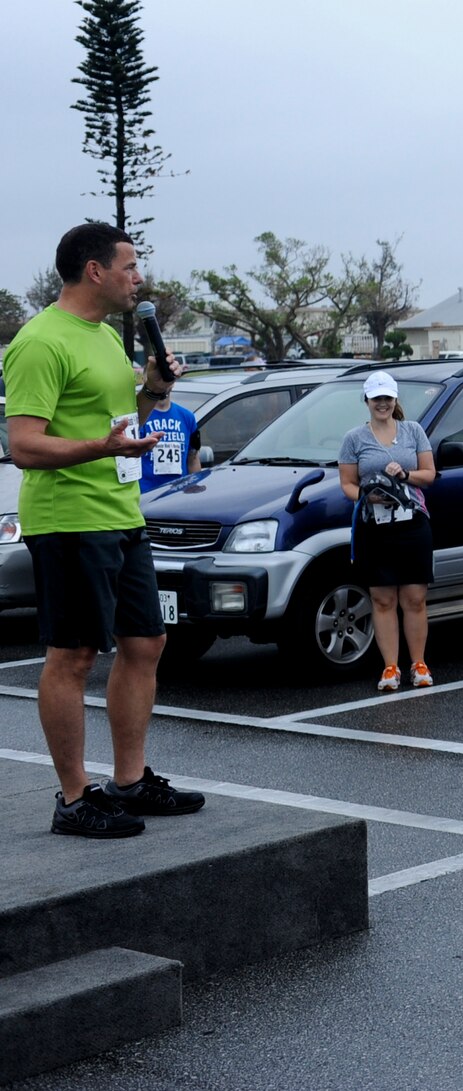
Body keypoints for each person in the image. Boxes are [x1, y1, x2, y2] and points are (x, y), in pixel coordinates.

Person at [3, 223, 206, 836]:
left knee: (146, 644)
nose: (138, 277)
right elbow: (24, 446)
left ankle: (131, 780)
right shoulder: (41, 341)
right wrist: (101, 444)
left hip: (121, 512)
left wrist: (154, 390)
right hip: (68, 518)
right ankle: (73, 797)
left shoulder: (105, 338)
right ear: (95, 271)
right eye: (130, 265)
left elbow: (123, 424)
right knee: (73, 655)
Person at [339, 371, 441, 692]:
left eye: (387, 398)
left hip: (412, 523)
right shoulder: (354, 438)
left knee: (414, 597)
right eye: (376, 398)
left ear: (395, 400)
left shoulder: (413, 431)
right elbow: (346, 484)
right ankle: (390, 667)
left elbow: (429, 474)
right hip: (374, 526)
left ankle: (419, 664)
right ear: (366, 401)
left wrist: (405, 474)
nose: (382, 403)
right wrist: (366, 496)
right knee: (382, 598)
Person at [136, 384, 200, 493]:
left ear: (173, 383)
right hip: (145, 496)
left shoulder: (188, 417)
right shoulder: (137, 417)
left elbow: (193, 459)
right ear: (145, 379)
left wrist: (195, 491)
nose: (161, 382)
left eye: (165, 377)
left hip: (177, 496)